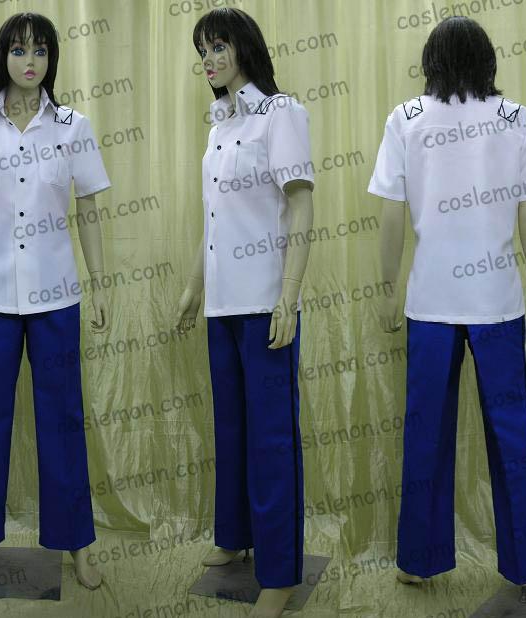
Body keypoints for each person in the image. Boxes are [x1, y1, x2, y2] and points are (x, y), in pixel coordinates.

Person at [368, 15, 526, 590]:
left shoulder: (405, 119)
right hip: (497, 301)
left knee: (425, 432)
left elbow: (392, 214)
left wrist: (387, 290)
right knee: (512, 435)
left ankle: (418, 561)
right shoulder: (518, 120)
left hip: (430, 302)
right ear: (487, 60)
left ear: (431, 61)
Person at [0, 12, 111, 589]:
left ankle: (77, 541)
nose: (29, 61)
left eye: (39, 50)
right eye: (18, 50)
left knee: (62, 418)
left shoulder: (73, 127)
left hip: (57, 294)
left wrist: (100, 283)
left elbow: (89, 209)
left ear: (52, 58)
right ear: (2, 57)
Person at [174, 8, 315, 617]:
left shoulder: (280, 114)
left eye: (218, 47)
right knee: (230, 427)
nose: (209, 60)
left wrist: (290, 295)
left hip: (263, 302)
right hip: (222, 303)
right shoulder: (218, 125)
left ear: (244, 48)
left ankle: (279, 573)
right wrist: (194, 285)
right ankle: (233, 536)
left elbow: (301, 205)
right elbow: (214, 218)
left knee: (271, 438)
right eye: (202, 50)